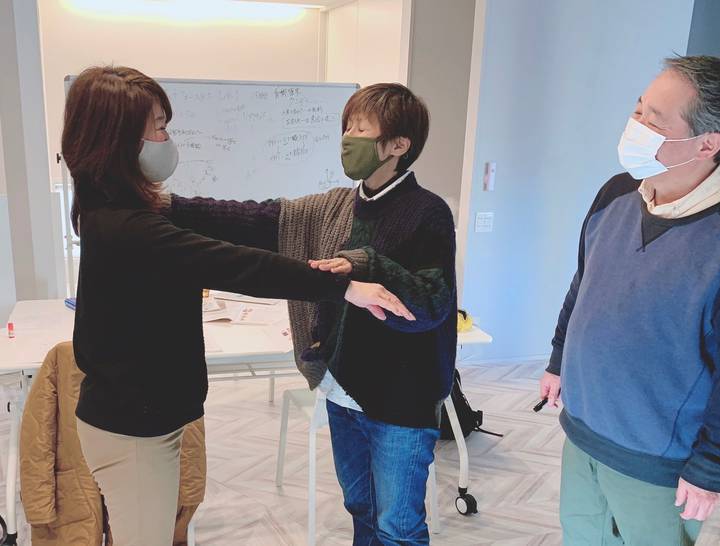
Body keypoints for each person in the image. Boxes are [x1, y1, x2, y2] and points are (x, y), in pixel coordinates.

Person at [63, 66, 414, 546]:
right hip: (133, 430)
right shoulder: (129, 228)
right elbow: (238, 265)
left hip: (145, 419)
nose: (167, 139)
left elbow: (229, 231)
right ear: (120, 141)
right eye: (159, 127)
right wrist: (343, 286)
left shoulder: (120, 212)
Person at [167, 83, 457, 545]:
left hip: (402, 401)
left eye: (361, 129)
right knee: (361, 507)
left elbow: (431, 304)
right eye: (347, 127)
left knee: (398, 526)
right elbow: (256, 218)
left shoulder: (428, 213)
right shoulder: (333, 207)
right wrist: (168, 206)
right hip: (344, 388)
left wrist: (365, 263)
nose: (347, 138)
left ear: (398, 145)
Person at [539, 55, 720, 545]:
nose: (635, 125)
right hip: (584, 429)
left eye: (654, 120)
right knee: (582, 536)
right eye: (638, 109)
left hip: (657, 460)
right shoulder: (616, 194)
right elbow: (584, 285)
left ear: (707, 143)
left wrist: (714, 463)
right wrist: (557, 360)